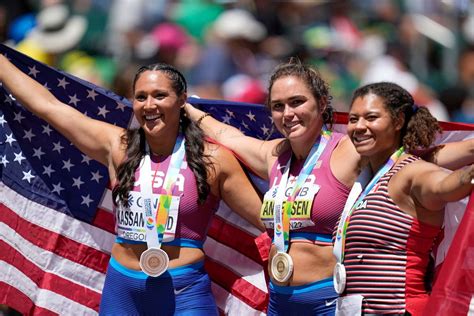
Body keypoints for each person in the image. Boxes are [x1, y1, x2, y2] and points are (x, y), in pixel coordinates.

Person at [185, 59, 474, 315]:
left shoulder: (349, 150)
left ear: (322, 104)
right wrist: (185, 106)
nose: (288, 113)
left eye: (297, 102)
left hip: (329, 300)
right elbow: (226, 134)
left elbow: (424, 158)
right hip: (280, 301)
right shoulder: (273, 155)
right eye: (278, 106)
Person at [0, 55, 264, 315]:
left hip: (183, 294)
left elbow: (269, 222)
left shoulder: (213, 160)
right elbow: (49, 107)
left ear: (182, 100)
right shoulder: (119, 147)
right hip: (122, 292)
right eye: (141, 97)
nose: (149, 105)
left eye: (160, 95)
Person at [333, 82, 473, 315]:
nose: (359, 126)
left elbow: (443, 185)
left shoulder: (412, 171)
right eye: (353, 119)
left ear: (398, 121)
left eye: (371, 117)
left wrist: (469, 175)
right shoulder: (364, 179)